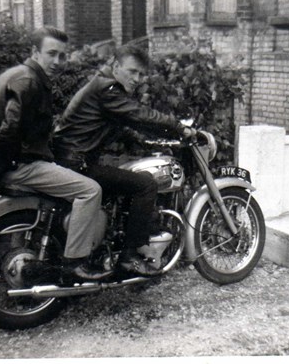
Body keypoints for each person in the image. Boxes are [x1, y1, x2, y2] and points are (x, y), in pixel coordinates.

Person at [0, 26, 109, 281]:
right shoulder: (31, 81)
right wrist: (3, 164)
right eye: (52, 54)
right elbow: (9, 126)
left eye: (62, 55)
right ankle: (75, 263)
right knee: (90, 190)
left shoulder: (14, 74)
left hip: (13, 164)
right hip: (23, 166)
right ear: (35, 52)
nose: (58, 62)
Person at [52, 45, 190, 276]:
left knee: (124, 182)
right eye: (132, 71)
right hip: (78, 164)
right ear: (116, 67)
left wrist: (146, 143)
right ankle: (130, 256)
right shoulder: (108, 89)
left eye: (141, 74)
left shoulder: (103, 86)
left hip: (73, 160)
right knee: (145, 184)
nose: (137, 79)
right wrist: (179, 128)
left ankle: (106, 249)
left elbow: (122, 125)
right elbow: (140, 114)